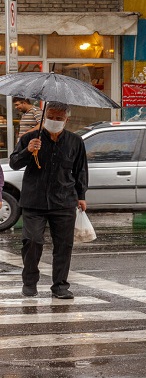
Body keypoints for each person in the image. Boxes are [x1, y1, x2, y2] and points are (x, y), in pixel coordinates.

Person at [9, 101, 88, 299]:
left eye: (59, 119)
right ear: (45, 117)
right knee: (32, 241)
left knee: (63, 245)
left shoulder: (75, 141)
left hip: (64, 200)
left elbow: (80, 170)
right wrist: (28, 150)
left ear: (66, 120)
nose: (54, 121)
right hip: (34, 201)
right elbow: (14, 163)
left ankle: (60, 286)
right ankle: (29, 282)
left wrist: (81, 196)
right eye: (51, 117)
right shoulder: (30, 138)